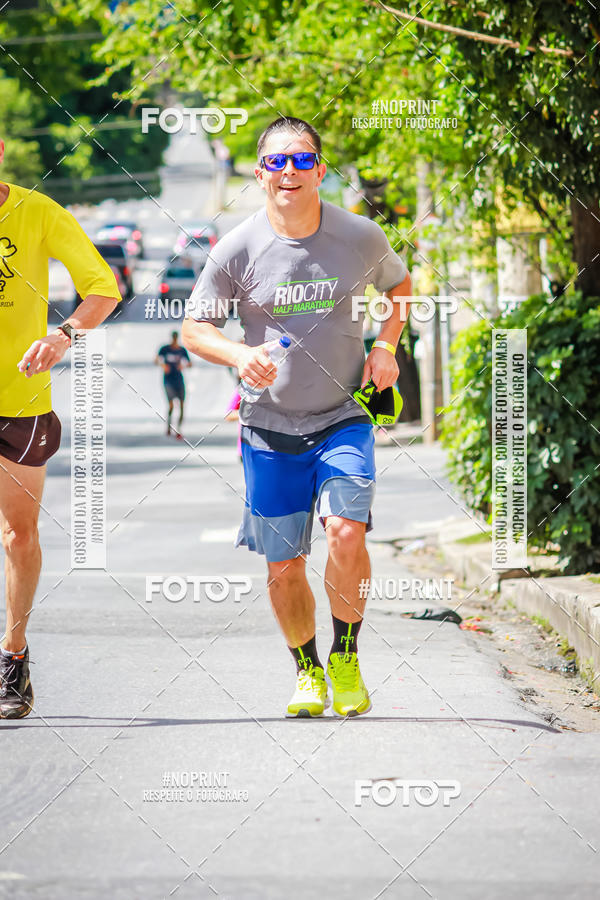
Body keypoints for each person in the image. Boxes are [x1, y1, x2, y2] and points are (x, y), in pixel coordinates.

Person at [182, 116, 411, 718]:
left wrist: (385, 345)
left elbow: (401, 287)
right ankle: (308, 670)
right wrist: (239, 355)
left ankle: (346, 656)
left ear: (320, 171)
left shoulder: (358, 235)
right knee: (285, 566)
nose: (290, 171)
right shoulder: (236, 248)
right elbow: (195, 328)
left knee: (346, 532)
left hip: (343, 415)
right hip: (269, 426)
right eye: (277, 162)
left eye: (303, 160)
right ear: (260, 174)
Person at [0, 138, 121, 718]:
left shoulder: (38, 211)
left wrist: (62, 336)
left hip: (20, 402)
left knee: (17, 535)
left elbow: (104, 288)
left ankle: (13, 656)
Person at [155, 331, 191, 439]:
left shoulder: (181, 350)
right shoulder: (165, 349)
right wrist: (163, 366)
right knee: (171, 405)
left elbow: (189, 363)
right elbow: (156, 360)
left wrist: (183, 366)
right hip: (168, 380)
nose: (174, 340)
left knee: (182, 405)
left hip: (179, 380)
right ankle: (168, 427)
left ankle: (178, 430)